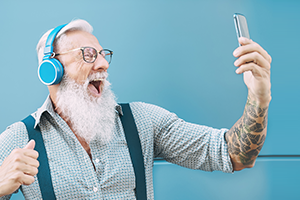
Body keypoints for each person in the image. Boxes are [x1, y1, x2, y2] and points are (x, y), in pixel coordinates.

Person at [0, 19, 271, 199]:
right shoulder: (19, 140)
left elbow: (234, 155)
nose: (103, 65)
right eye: (88, 55)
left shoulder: (142, 122)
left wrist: (259, 97)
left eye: (103, 54)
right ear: (52, 70)